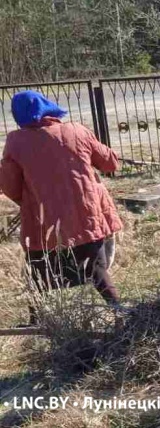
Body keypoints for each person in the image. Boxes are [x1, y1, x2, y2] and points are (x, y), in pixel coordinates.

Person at [0, 91, 122, 324]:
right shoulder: (77, 131)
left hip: (43, 221)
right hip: (86, 214)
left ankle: (36, 321)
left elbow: (11, 188)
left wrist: (31, 198)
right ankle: (121, 313)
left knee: (36, 271)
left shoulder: (16, 142)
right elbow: (109, 163)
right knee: (95, 269)